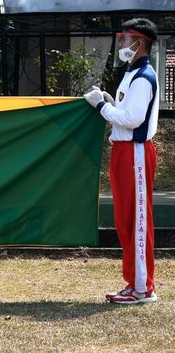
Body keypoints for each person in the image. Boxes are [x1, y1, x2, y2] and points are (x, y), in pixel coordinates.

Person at [84, 18, 159, 304]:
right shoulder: (132, 72)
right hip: (125, 152)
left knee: (137, 220)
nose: (124, 45)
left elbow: (133, 119)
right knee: (126, 220)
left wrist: (102, 106)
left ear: (140, 42)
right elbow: (126, 111)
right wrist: (110, 103)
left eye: (128, 39)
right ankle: (134, 282)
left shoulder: (143, 76)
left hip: (136, 152)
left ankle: (143, 288)